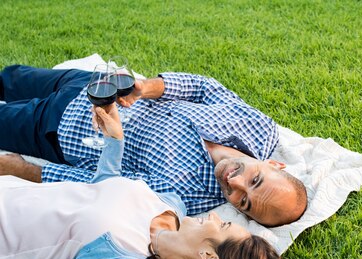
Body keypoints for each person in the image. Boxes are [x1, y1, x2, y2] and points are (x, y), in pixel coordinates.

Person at [0, 104, 282, 259]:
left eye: (222, 226)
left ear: (208, 255)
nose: (215, 216)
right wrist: (114, 141)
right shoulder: (172, 203)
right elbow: (101, 189)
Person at [0, 64, 307, 227]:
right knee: (11, 76)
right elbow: (203, 88)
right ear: (275, 164)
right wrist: (147, 87)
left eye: (243, 202)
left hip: (62, 129)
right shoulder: (260, 128)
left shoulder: (188, 196)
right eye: (255, 180)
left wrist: (23, 169)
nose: (235, 183)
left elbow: (106, 186)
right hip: (95, 85)